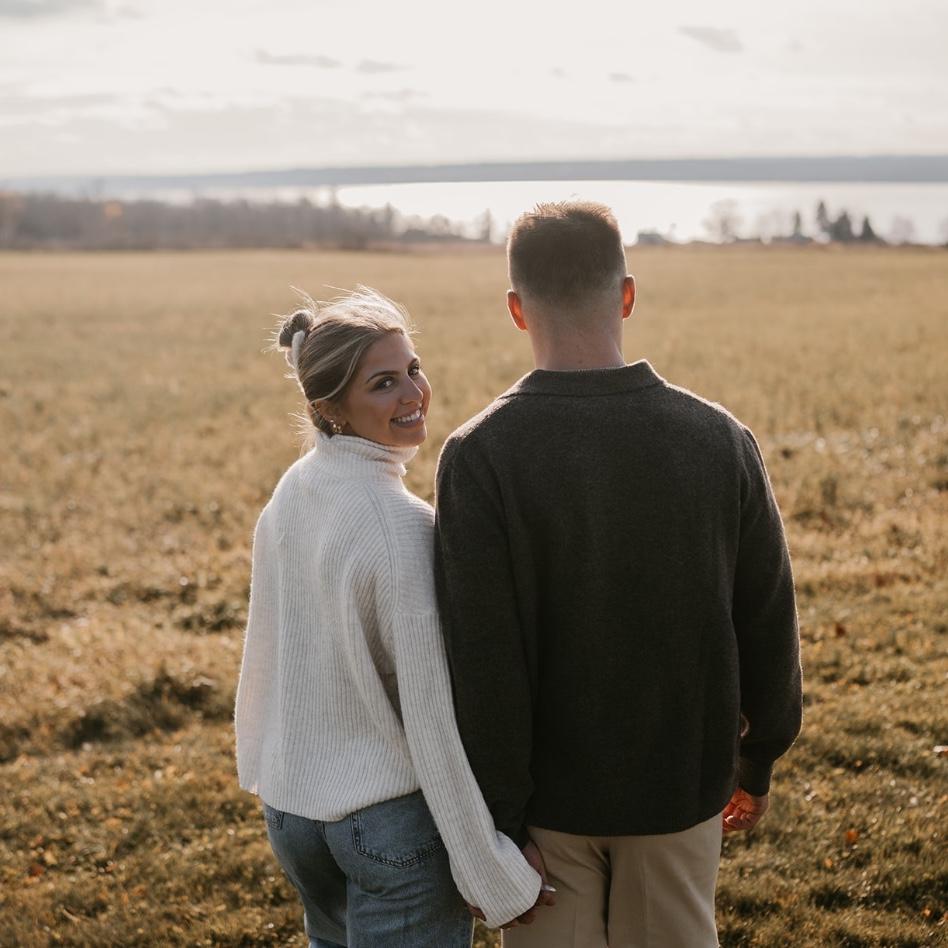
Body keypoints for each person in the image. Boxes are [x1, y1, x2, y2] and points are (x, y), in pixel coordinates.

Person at [433, 202, 803, 947]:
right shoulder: (720, 440)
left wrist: (498, 821)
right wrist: (758, 756)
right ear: (627, 295)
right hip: (681, 788)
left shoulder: (479, 455)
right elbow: (767, 617)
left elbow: (483, 660)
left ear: (516, 309)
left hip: (545, 808)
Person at [234, 287, 542, 947]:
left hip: (293, 814)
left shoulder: (294, 488)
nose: (413, 393)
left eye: (413, 369)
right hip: (385, 826)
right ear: (329, 408)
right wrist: (489, 870)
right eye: (383, 383)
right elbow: (431, 718)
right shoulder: (400, 526)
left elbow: (269, 653)